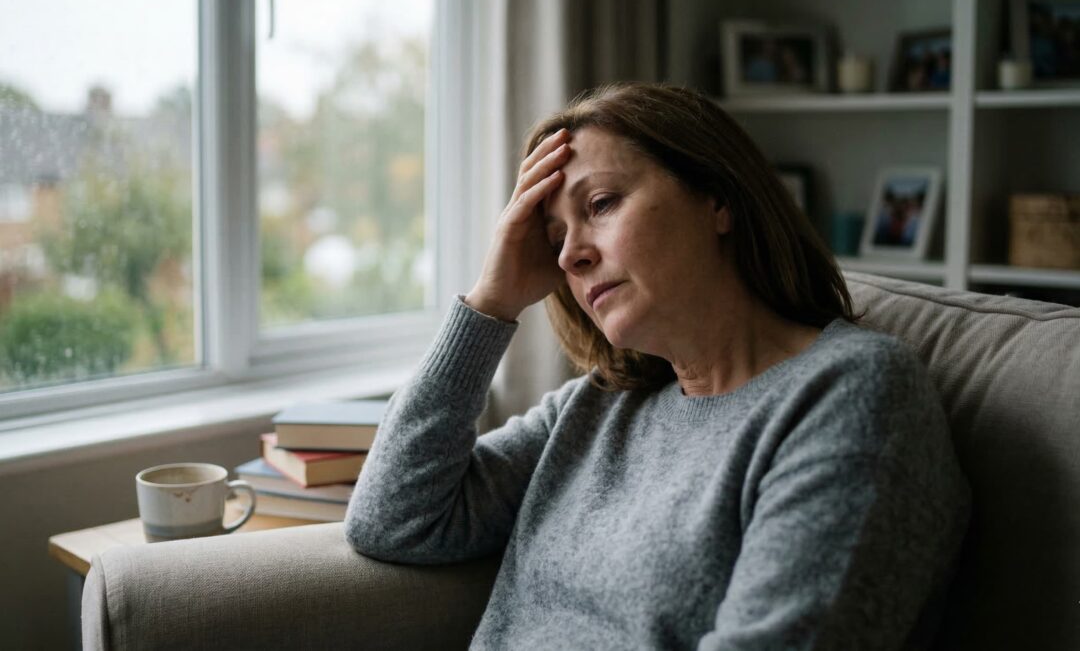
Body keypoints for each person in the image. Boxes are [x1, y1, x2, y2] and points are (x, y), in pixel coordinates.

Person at [345, 83, 971, 650]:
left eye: (601, 204)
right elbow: (394, 522)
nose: (571, 256)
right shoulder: (602, 403)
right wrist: (491, 302)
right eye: (555, 238)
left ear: (717, 199)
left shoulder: (851, 393)